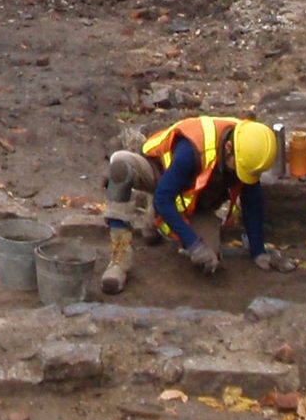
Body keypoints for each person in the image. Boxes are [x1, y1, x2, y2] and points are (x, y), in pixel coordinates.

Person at [99, 116, 293, 296]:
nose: (242, 176)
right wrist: (194, 244)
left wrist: (258, 251)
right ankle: (119, 260)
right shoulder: (192, 150)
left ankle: (157, 219)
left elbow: (253, 201)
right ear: (227, 147)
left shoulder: (248, 150)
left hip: (195, 201)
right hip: (160, 174)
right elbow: (164, 197)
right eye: (239, 170)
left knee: (209, 260)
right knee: (121, 166)